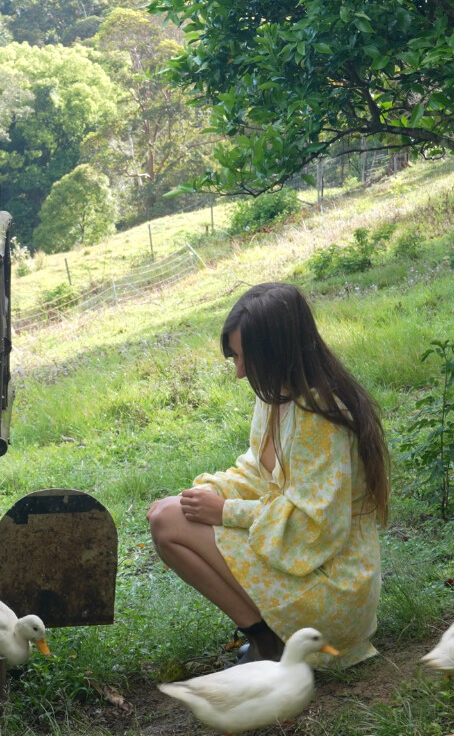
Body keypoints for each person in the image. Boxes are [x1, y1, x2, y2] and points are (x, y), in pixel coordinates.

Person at [146, 282, 388, 668]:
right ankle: (266, 639)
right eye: (236, 358)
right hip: (306, 566)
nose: (240, 372)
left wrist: (224, 511)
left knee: (169, 523)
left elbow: (314, 526)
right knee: (168, 514)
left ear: (279, 351)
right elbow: (258, 472)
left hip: (334, 590)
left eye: (246, 358)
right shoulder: (277, 397)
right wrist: (203, 493)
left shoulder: (320, 417)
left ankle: (270, 644)